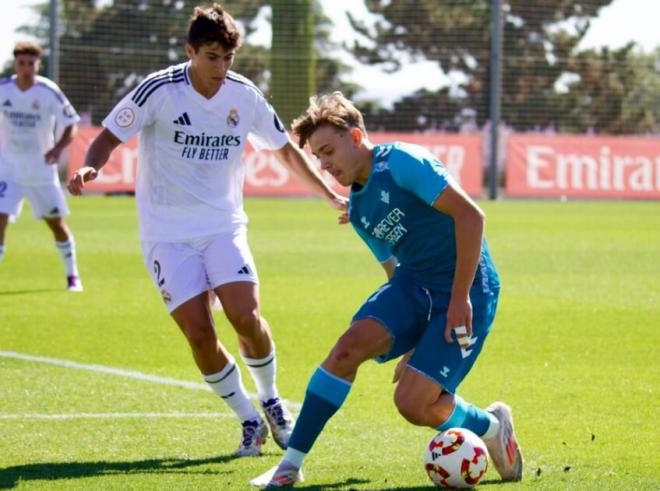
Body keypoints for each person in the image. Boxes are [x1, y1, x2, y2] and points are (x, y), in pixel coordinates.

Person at [67, 4, 345, 456]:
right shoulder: (159, 90)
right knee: (198, 332)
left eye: (228, 58)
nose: (221, 67)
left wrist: (327, 193)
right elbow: (108, 136)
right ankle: (249, 420)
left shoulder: (244, 94)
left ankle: (272, 400)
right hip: (166, 233)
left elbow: (284, 151)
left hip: (222, 224)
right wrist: (89, 167)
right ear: (191, 51)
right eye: (212, 56)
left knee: (245, 315)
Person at [251, 92, 523, 487]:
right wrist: (410, 338)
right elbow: (394, 271)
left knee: (413, 404)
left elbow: (471, 216)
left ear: (356, 137)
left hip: (470, 287)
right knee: (347, 348)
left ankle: (492, 427)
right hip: (414, 284)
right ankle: (289, 465)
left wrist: (460, 297)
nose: (325, 165)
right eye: (318, 158)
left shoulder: (401, 162)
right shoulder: (359, 211)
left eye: (329, 151)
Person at [0, 41, 82, 291]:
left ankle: (72, 276)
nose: (26, 68)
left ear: (38, 65)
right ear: (15, 64)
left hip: (40, 171)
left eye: (30, 63)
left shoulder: (49, 91)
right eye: (21, 63)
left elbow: (71, 122)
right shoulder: (3, 88)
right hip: (8, 169)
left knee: (55, 224)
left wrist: (57, 149)